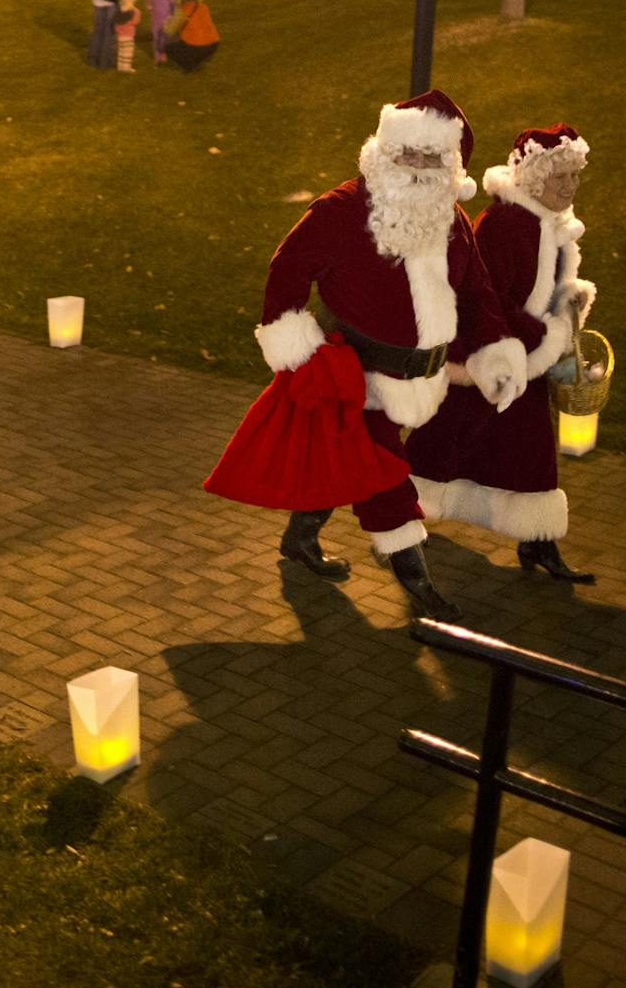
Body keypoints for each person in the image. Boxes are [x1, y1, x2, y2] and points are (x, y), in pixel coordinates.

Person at [206, 89, 527, 623]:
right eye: (408, 154)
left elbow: (477, 294)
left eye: (434, 158)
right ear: (383, 151)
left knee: (350, 465)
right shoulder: (341, 211)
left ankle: (300, 539)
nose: (419, 168)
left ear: (453, 165)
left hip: (419, 381)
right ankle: (417, 581)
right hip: (352, 378)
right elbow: (286, 271)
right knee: (381, 476)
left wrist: (494, 352)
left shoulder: (450, 221)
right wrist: (294, 342)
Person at [404, 126, 600, 584]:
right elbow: (487, 298)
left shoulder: (548, 222)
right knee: (445, 439)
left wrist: (569, 302)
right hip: (487, 355)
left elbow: (541, 290)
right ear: (534, 179)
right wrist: (547, 335)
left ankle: (538, 539)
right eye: (560, 178)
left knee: (528, 449)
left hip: (522, 357)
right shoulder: (508, 225)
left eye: (575, 177)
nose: (570, 187)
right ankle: (403, 513)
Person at [163, 0, 220, 73]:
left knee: (167, 47)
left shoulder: (183, 11)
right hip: (214, 44)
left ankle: (189, 65)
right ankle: (201, 58)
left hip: (197, 46)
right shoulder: (203, 6)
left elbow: (168, 30)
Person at [147, 0, 176, 67]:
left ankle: (163, 54)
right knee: (156, 37)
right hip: (156, 17)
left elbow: (172, 4)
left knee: (165, 37)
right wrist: (149, 6)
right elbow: (149, 0)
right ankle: (157, 56)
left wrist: (172, 16)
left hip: (166, 18)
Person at [113, 0, 139, 73]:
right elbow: (135, 22)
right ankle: (127, 67)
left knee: (121, 51)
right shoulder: (133, 12)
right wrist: (135, 11)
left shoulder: (118, 12)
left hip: (120, 36)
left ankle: (120, 66)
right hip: (128, 35)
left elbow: (116, 23)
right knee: (127, 53)